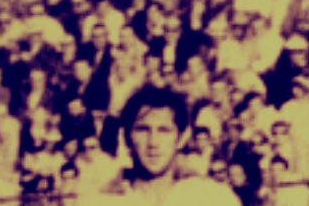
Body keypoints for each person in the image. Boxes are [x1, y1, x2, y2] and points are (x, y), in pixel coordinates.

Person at [87, 85, 240, 205]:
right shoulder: (101, 202)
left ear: (182, 137)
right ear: (127, 136)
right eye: (143, 130)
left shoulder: (213, 198)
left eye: (164, 131)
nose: (153, 142)